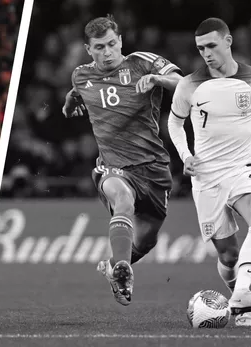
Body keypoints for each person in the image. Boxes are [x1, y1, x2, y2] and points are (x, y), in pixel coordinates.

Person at [167, 18, 251, 326]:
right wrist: (185, 155)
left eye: (212, 45)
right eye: (200, 48)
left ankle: (240, 296)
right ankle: (241, 300)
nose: (206, 53)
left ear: (228, 41)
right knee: (228, 257)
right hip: (207, 178)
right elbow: (174, 122)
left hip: (243, 169)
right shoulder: (189, 84)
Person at [62, 15, 182, 306]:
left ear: (121, 42)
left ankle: (114, 266)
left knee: (148, 239)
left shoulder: (143, 62)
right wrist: (69, 103)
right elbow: (77, 93)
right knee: (122, 199)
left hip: (153, 167)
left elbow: (184, 84)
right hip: (113, 166)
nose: (107, 53)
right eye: (100, 47)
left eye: (112, 44)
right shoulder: (81, 75)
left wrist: (157, 79)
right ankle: (123, 269)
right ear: (88, 49)